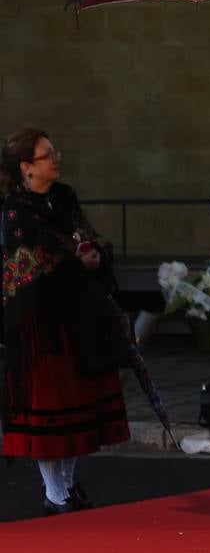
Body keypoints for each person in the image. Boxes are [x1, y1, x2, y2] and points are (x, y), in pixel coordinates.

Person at [2, 128, 129, 513]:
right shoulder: (14, 211)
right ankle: (55, 492)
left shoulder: (63, 196)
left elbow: (86, 236)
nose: (56, 158)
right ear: (26, 167)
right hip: (41, 325)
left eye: (54, 152)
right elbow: (26, 267)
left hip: (77, 316)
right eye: (46, 155)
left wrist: (94, 254)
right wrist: (76, 261)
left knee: (79, 407)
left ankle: (66, 487)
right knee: (51, 414)